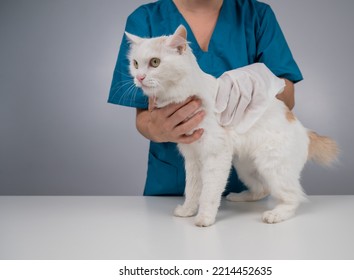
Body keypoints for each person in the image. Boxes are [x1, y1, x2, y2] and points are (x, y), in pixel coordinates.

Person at [108, 0, 303, 195]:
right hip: (172, 186)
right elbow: (143, 115)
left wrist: (263, 83)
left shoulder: (257, 16)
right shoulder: (146, 18)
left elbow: (287, 99)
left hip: (245, 185)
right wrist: (157, 128)